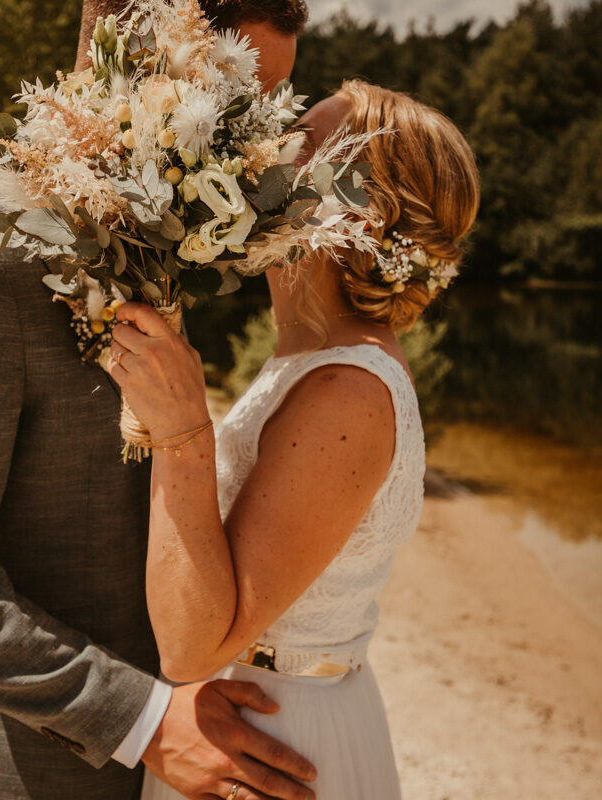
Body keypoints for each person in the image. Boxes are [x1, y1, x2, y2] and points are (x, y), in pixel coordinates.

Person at [0, 2, 319, 799]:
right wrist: (144, 721)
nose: (265, 145)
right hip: (45, 756)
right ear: (141, 69)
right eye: (244, 100)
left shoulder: (156, 221)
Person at [108, 80, 481, 800]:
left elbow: (191, 648)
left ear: (364, 214)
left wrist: (184, 429)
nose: (265, 150)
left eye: (300, 145)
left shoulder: (349, 391)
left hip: (274, 742)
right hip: (252, 718)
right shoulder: (309, 360)